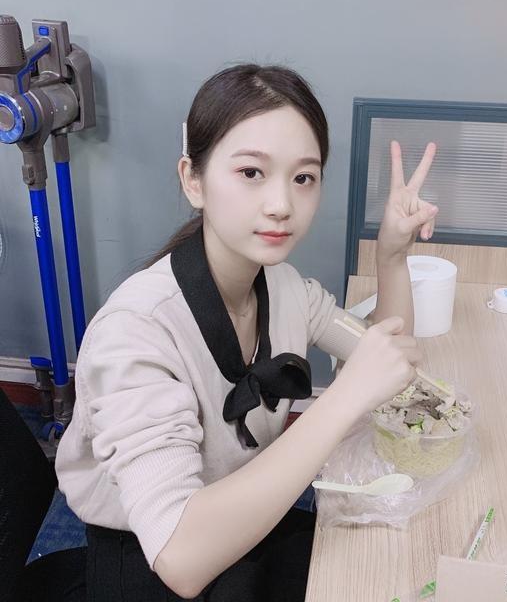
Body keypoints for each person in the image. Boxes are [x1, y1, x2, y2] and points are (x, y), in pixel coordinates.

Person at [55, 63, 439, 602]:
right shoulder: (135, 332)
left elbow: (385, 358)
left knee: (377, 563)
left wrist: (392, 257)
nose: (281, 205)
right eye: (251, 172)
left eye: (303, 178)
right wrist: (344, 397)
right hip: (149, 555)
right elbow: (180, 558)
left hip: (244, 509)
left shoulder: (285, 288)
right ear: (193, 179)